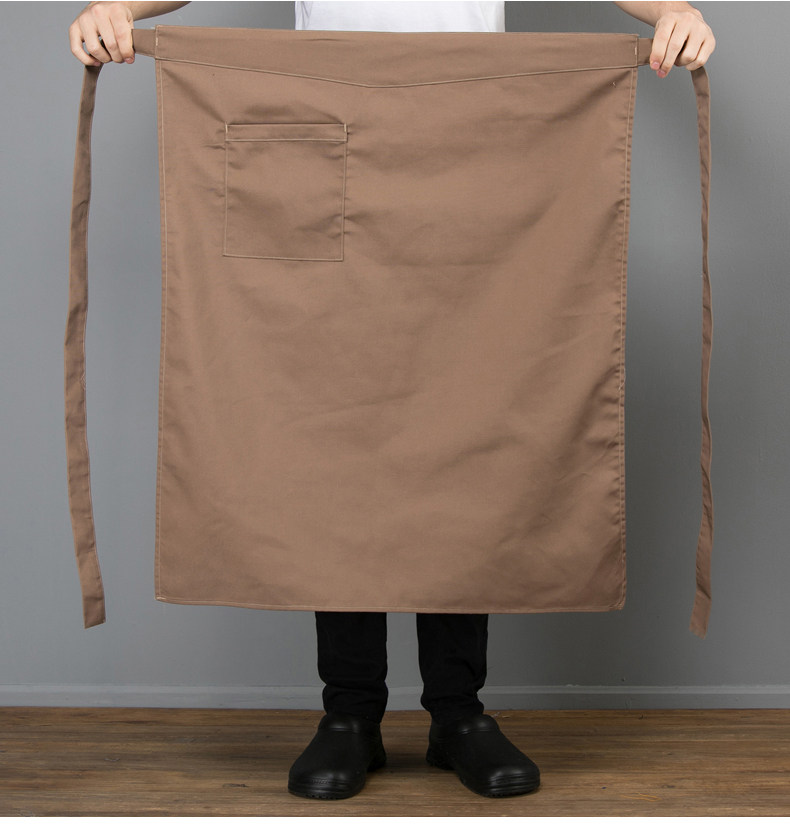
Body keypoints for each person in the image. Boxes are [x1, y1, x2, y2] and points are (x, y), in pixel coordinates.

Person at [68, 0, 716, 801]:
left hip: (476, 145)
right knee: (330, 433)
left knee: (475, 415)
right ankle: (350, 712)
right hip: (320, 134)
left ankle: (458, 711)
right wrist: (119, 9)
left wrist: (673, 11)